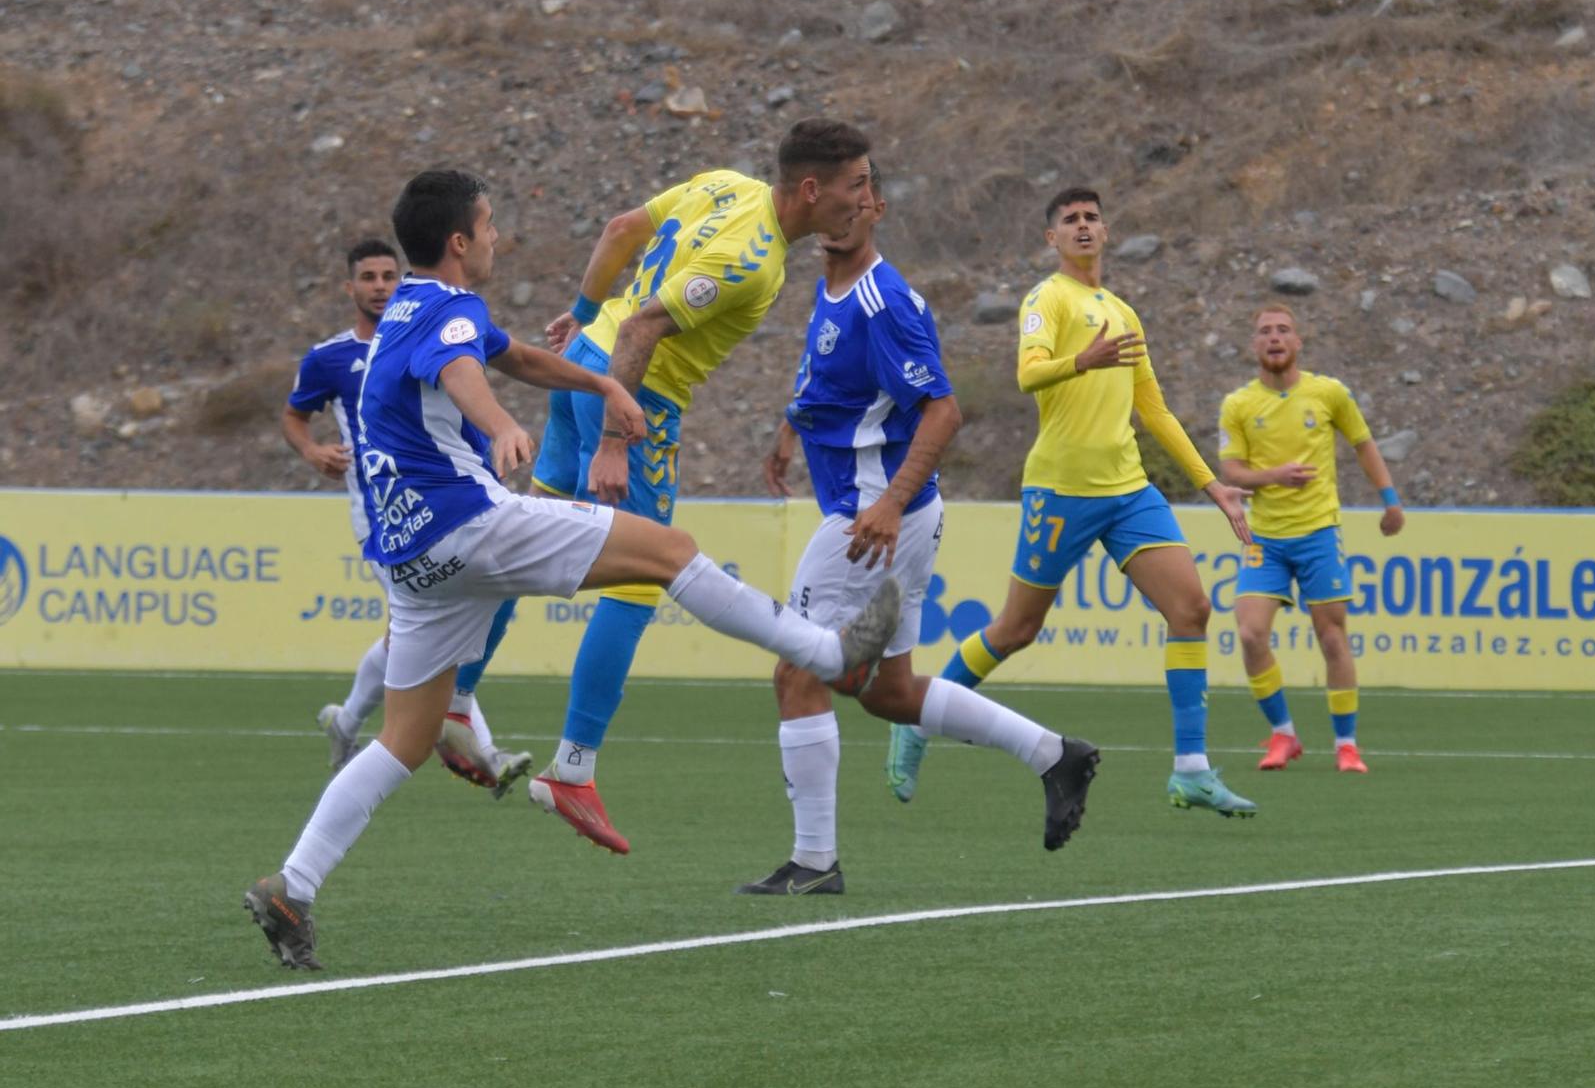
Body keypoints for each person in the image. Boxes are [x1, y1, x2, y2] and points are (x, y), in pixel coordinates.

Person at [243, 170, 901, 971]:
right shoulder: (448, 310)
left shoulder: (409, 309)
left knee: (403, 740)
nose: (496, 238)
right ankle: (832, 655)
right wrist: (499, 425)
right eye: (488, 226)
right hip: (469, 524)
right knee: (668, 552)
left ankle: (294, 887)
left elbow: (511, 354)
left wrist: (594, 379)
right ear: (459, 241)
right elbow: (466, 372)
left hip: (411, 560)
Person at [522, 118, 879, 856]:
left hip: (585, 361)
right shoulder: (754, 262)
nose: (865, 199)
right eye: (857, 185)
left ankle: (455, 703)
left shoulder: (725, 184)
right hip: (632, 394)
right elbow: (646, 329)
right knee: (639, 582)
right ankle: (573, 769)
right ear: (812, 190)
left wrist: (583, 313)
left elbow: (622, 228)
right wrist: (619, 438)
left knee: (522, 542)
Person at [748, 171, 1097, 894]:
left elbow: (943, 412)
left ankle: (814, 863)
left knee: (796, 670)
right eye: (834, 199)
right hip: (888, 510)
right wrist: (790, 428)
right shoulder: (833, 287)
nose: (844, 212)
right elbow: (834, 384)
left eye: (860, 198)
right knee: (887, 692)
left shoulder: (885, 300)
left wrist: (888, 505)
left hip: (875, 515)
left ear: (875, 210)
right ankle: (1054, 754)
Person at [886, 187, 1259, 817]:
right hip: (1060, 488)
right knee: (1015, 629)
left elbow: (1154, 408)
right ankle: (917, 719)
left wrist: (1210, 483)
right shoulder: (1046, 298)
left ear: (1107, 232)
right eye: (1070, 220)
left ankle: (1190, 770)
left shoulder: (1124, 311)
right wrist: (1080, 361)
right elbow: (1028, 373)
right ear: (1051, 238)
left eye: (1091, 218)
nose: (1082, 227)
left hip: (1129, 490)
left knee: (1192, 609)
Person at [283, 238, 531, 794]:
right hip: (382, 515)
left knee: (412, 630)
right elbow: (293, 417)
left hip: (442, 505)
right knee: (441, 617)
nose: (379, 285)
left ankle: (346, 722)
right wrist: (310, 450)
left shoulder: (424, 332)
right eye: (367, 277)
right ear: (350, 287)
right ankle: (483, 752)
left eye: (387, 275)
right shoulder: (328, 358)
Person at [1216, 304, 1405, 775]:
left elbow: (1363, 443)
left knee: (1332, 638)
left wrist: (1390, 500)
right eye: (1264, 332)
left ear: (1298, 342)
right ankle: (1283, 736)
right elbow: (1231, 472)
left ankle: (1346, 744)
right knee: (1250, 633)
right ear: (1254, 345)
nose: (1274, 338)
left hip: (1319, 532)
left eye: (1283, 330)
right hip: (1266, 539)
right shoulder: (1238, 405)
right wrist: (1276, 475)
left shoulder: (1328, 393)